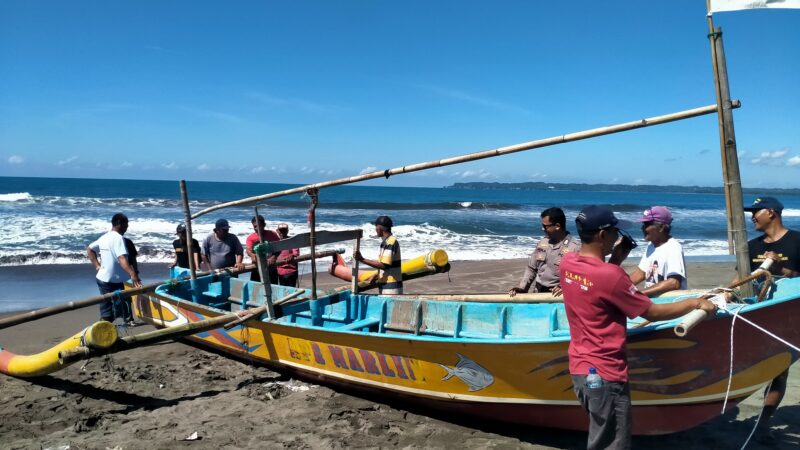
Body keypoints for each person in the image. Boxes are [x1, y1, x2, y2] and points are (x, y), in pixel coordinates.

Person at [559, 205, 716, 449]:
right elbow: (652, 312)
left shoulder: (568, 264)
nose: (617, 237)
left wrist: (616, 260)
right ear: (602, 235)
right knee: (612, 442)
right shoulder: (611, 277)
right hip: (607, 372)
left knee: (601, 432)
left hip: (580, 368)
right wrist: (696, 302)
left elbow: (597, 283)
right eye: (615, 232)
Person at [741, 196, 800, 442]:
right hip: (757, 314)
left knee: (779, 371)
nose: (752, 216)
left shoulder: (797, 241)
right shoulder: (752, 246)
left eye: (756, 211)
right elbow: (744, 283)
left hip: (788, 318)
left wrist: (782, 271)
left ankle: (763, 423)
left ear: (772, 213)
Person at [508, 207, 580, 297]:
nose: (543, 229)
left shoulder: (575, 248)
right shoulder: (542, 243)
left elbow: (580, 277)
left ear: (557, 226)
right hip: (538, 292)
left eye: (545, 226)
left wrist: (565, 287)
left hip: (558, 296)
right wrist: (522, 288)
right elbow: (531, 268)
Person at [86, 213, 142, 323]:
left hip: (107, 278)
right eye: (126, 224)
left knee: (114, 304)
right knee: (110, 309)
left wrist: (97, 266)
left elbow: (89, 249)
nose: (127, 227)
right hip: (110, 280)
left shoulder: (105, 237)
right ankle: (105, 329)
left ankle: (121, 321)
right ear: (120, 224)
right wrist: (133, 274)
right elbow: (122, 258)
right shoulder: (118, 238)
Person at [628, 206, 688, 297]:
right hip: (653, 300)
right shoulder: (651, 245)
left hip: (668, 303)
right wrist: (620, 288)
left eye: (647, 224)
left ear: (661, 228)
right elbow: (640, 274)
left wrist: (639, 294)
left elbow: (674, 283)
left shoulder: (673, 247)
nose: (642, 228)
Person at [354, 215, 402, 294]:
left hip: (391, 288)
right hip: (388, 286)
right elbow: (387, 266)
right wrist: (377, 275)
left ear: (379, 228)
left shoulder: (390, 242)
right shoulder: (387, 242)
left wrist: (362, 259)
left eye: (376, 227)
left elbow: (384, 265)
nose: (375, 230)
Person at [245, 215, 280, 283]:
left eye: (259, 226)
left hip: (271, 267)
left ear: (264, 225)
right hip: (257, 268)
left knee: (273, 289)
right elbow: (248, 250)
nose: (257, 228)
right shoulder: (251, 238)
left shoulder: (272, 234)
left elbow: (279, 248)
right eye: (255, 226)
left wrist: (273, 257)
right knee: (256, 290)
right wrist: (252, 255)